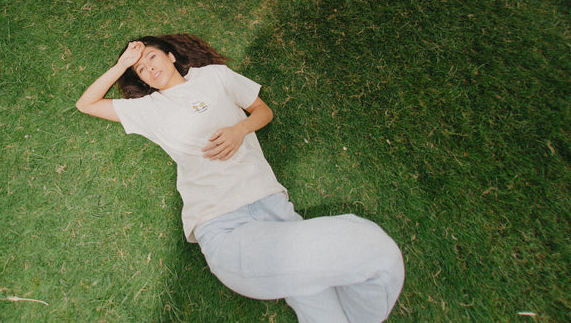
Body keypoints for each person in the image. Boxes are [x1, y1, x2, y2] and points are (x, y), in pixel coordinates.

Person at [76, 34, 405, 322]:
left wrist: (240, 129)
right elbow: (86, 103)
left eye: (151, 57)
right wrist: (123, 65)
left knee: (323, 305)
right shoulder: (148, 109)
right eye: (141, 70)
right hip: (225, 229)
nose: (149, 68)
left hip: (276, 210)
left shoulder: (215, 76)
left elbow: (263, 111)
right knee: (372, 247)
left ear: (170, 55)